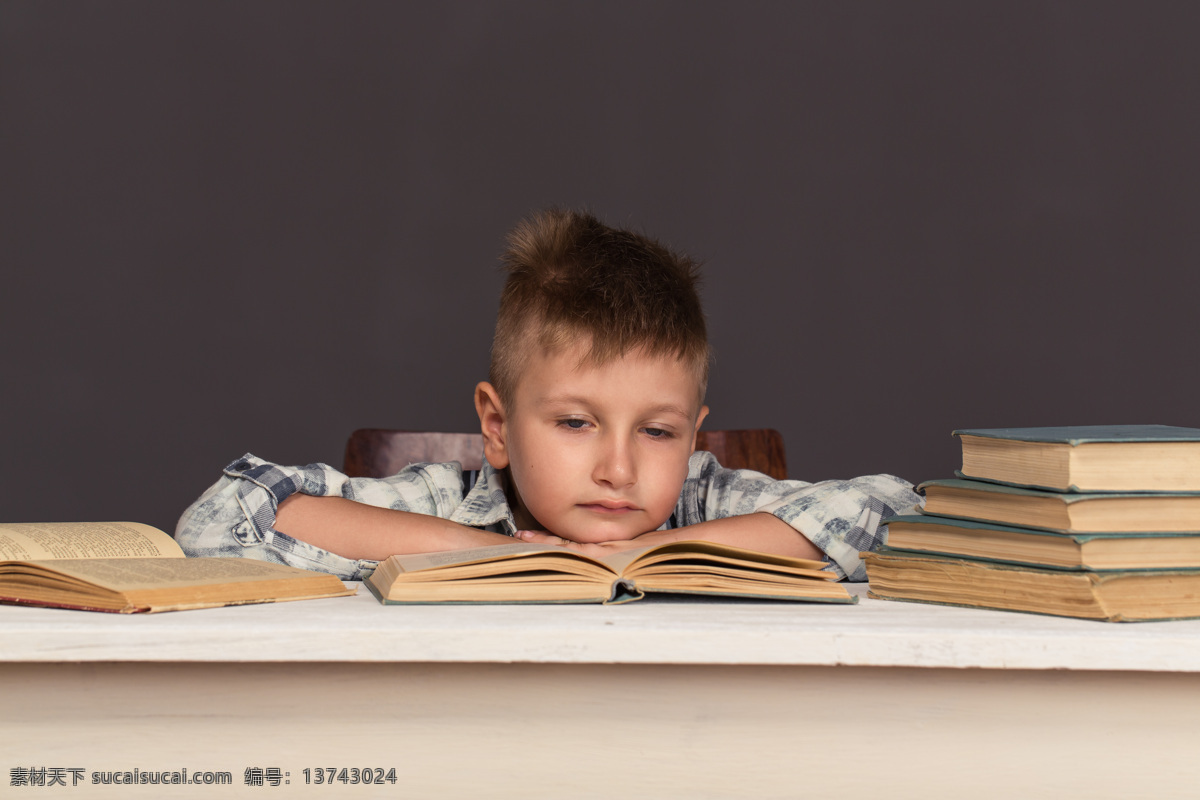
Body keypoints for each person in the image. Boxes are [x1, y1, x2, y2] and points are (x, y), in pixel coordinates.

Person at [176, 209, 920, 581]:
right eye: (575, 422)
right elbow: (221, 519)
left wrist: (647, 553)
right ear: (496, 427)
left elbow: (900, 511)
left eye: (658, 433)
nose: (619, 470)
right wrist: (485, 553)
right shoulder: (447, 501)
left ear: (693, 437)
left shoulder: (704, 500)